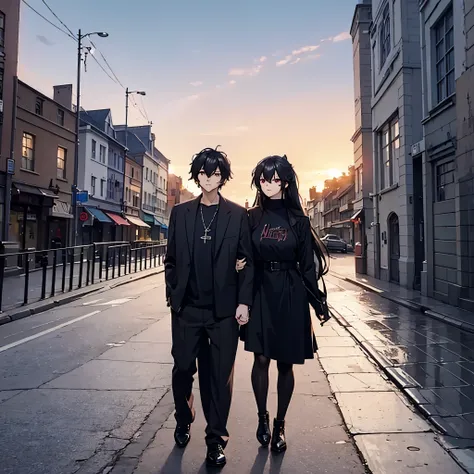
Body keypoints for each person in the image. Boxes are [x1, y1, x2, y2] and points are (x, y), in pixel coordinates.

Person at [164, 146, 254, 467]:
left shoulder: (236, 215)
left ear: (223, 177)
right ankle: (184, 415)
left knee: (219, 379)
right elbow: (171, 260)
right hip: (187, 309)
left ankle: (216, 440)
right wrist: (173, 295)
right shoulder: (181, 213)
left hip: (223, 313)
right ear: (196, 175)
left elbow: (248, 260)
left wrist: (244, 301)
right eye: (203, 172)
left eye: (216, 173)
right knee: (182, 370)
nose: (209, 178)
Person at [238, 155, 328, 453]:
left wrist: (318, 302)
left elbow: (307, 267)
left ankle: (280, 424)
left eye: (275, 179)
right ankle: (262, 418)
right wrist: (244, 301)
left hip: (291, 293)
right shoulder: (250, 217)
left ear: (286, 182)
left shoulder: (298, 220)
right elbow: (248, 262)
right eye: (264, 179)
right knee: (260, 359)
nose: (268, 184)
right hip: (262, 290)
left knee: (285, 363)